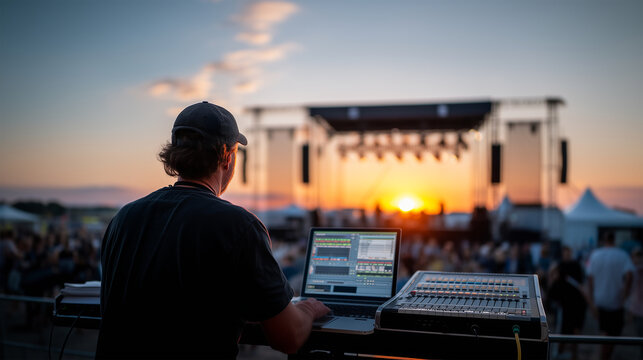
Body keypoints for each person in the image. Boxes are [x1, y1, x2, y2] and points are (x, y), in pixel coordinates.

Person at [97, 101, 329, 359]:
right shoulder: (238, 226)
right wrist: (309, 309)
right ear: (228, 158)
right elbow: (288, 337)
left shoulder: (124, 218)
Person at [587, 232, 635, 360]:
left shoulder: (595, 255)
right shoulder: (622, 255)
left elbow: (590, 279)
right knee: (613, 334)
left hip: (600, 300)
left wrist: (591, 301)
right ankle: (605, 356)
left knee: (604, 331)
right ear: (614, 240)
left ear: (604, 240)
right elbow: (630, 276)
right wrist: (625, 295)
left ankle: (604, 356)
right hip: (616, 301)